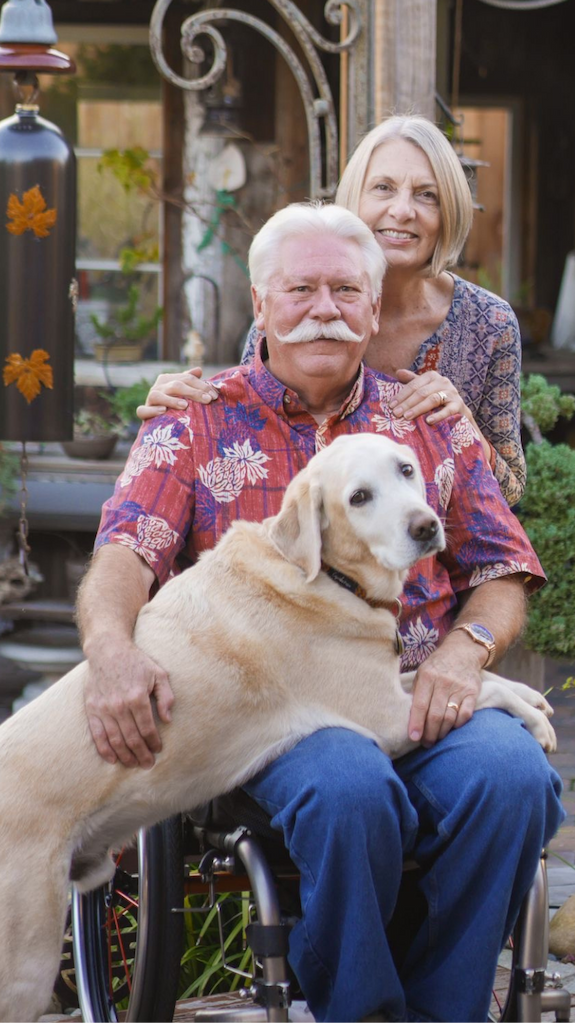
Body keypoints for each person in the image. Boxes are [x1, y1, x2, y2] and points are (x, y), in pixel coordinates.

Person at [77, 202, 563, 1023]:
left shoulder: (426, 420)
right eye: (299, 289)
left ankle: (446, 1011)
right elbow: (123, 553)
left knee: (512, 777)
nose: (324, 308)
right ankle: (362, 1010)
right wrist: (112, 653)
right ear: (260, 304)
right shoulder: (197, 419)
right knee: (347, 785)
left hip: (417, 690)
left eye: (345, 289)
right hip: (275, 710)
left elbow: (504, 568)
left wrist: (462, 652)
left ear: (375, 310)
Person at [138, 114, 525, 506]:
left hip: (431, 549)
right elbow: (250, 437)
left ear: (450, 212)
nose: (403, 210)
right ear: (354, 198)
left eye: (427, 194)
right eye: (383, 188)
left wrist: (465, 426)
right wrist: (181, 406)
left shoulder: (488, 323)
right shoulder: (296, 312)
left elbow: (510, 493)